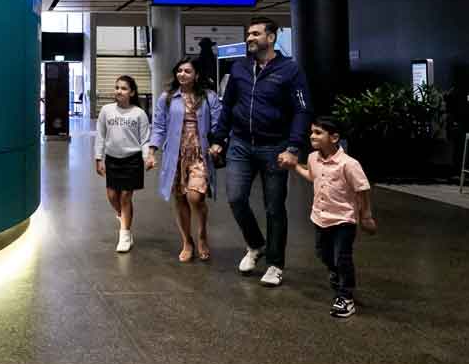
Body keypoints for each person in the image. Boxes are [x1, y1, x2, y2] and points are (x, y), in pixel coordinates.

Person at [208, 17, 312, 287]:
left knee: (274, 207)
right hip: (241, 144)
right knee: (236, 197)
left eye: (255, 34)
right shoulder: (240, 68)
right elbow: (228, 106)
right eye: (248, 34)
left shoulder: (290, 70)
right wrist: (219, 138)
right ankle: (255, 244)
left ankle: (275, 264)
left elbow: (302, 110)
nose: (249, 38)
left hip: (275, 146)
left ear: (272, 37)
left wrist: (293, 147)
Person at [279, 117, 376, 318]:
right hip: (320, 217)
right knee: (323, 253)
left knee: (342, 256)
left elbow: (362, 189)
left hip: (343, 219)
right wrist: (295, 167)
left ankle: (346, 296)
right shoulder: (314, 158)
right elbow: (312, 177)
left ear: (334, 137)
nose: (312, 136)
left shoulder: (348, 164)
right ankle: (336, 273)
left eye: (318, 132)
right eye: (312, 132)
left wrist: (365, 215)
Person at [148, 57, 222, 262]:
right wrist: (152, 151)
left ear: (196, 75)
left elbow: (218, 124)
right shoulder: (168, 98)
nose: (182, 74)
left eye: (187, 71)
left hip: (200, 154)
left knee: (195, 197)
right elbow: (159, 126)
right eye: (179, 70)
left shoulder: (209, 97)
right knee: (180, 197)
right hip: (175, 155)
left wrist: (218, 143)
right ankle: (187, 241)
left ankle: (202, 234)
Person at [95, 75, 154, 253]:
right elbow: (100, 135)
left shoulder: (139, 113)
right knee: (113, 196)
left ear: (132, 92)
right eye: (117, 87)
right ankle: (122, 216)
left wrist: (147, 157)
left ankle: (125, 235)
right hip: (112, 159)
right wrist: (99, 158)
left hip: (132, 160)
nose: (119, 91)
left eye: (124, 88)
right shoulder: (106, 110)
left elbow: (145, 140)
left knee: (126, 196)